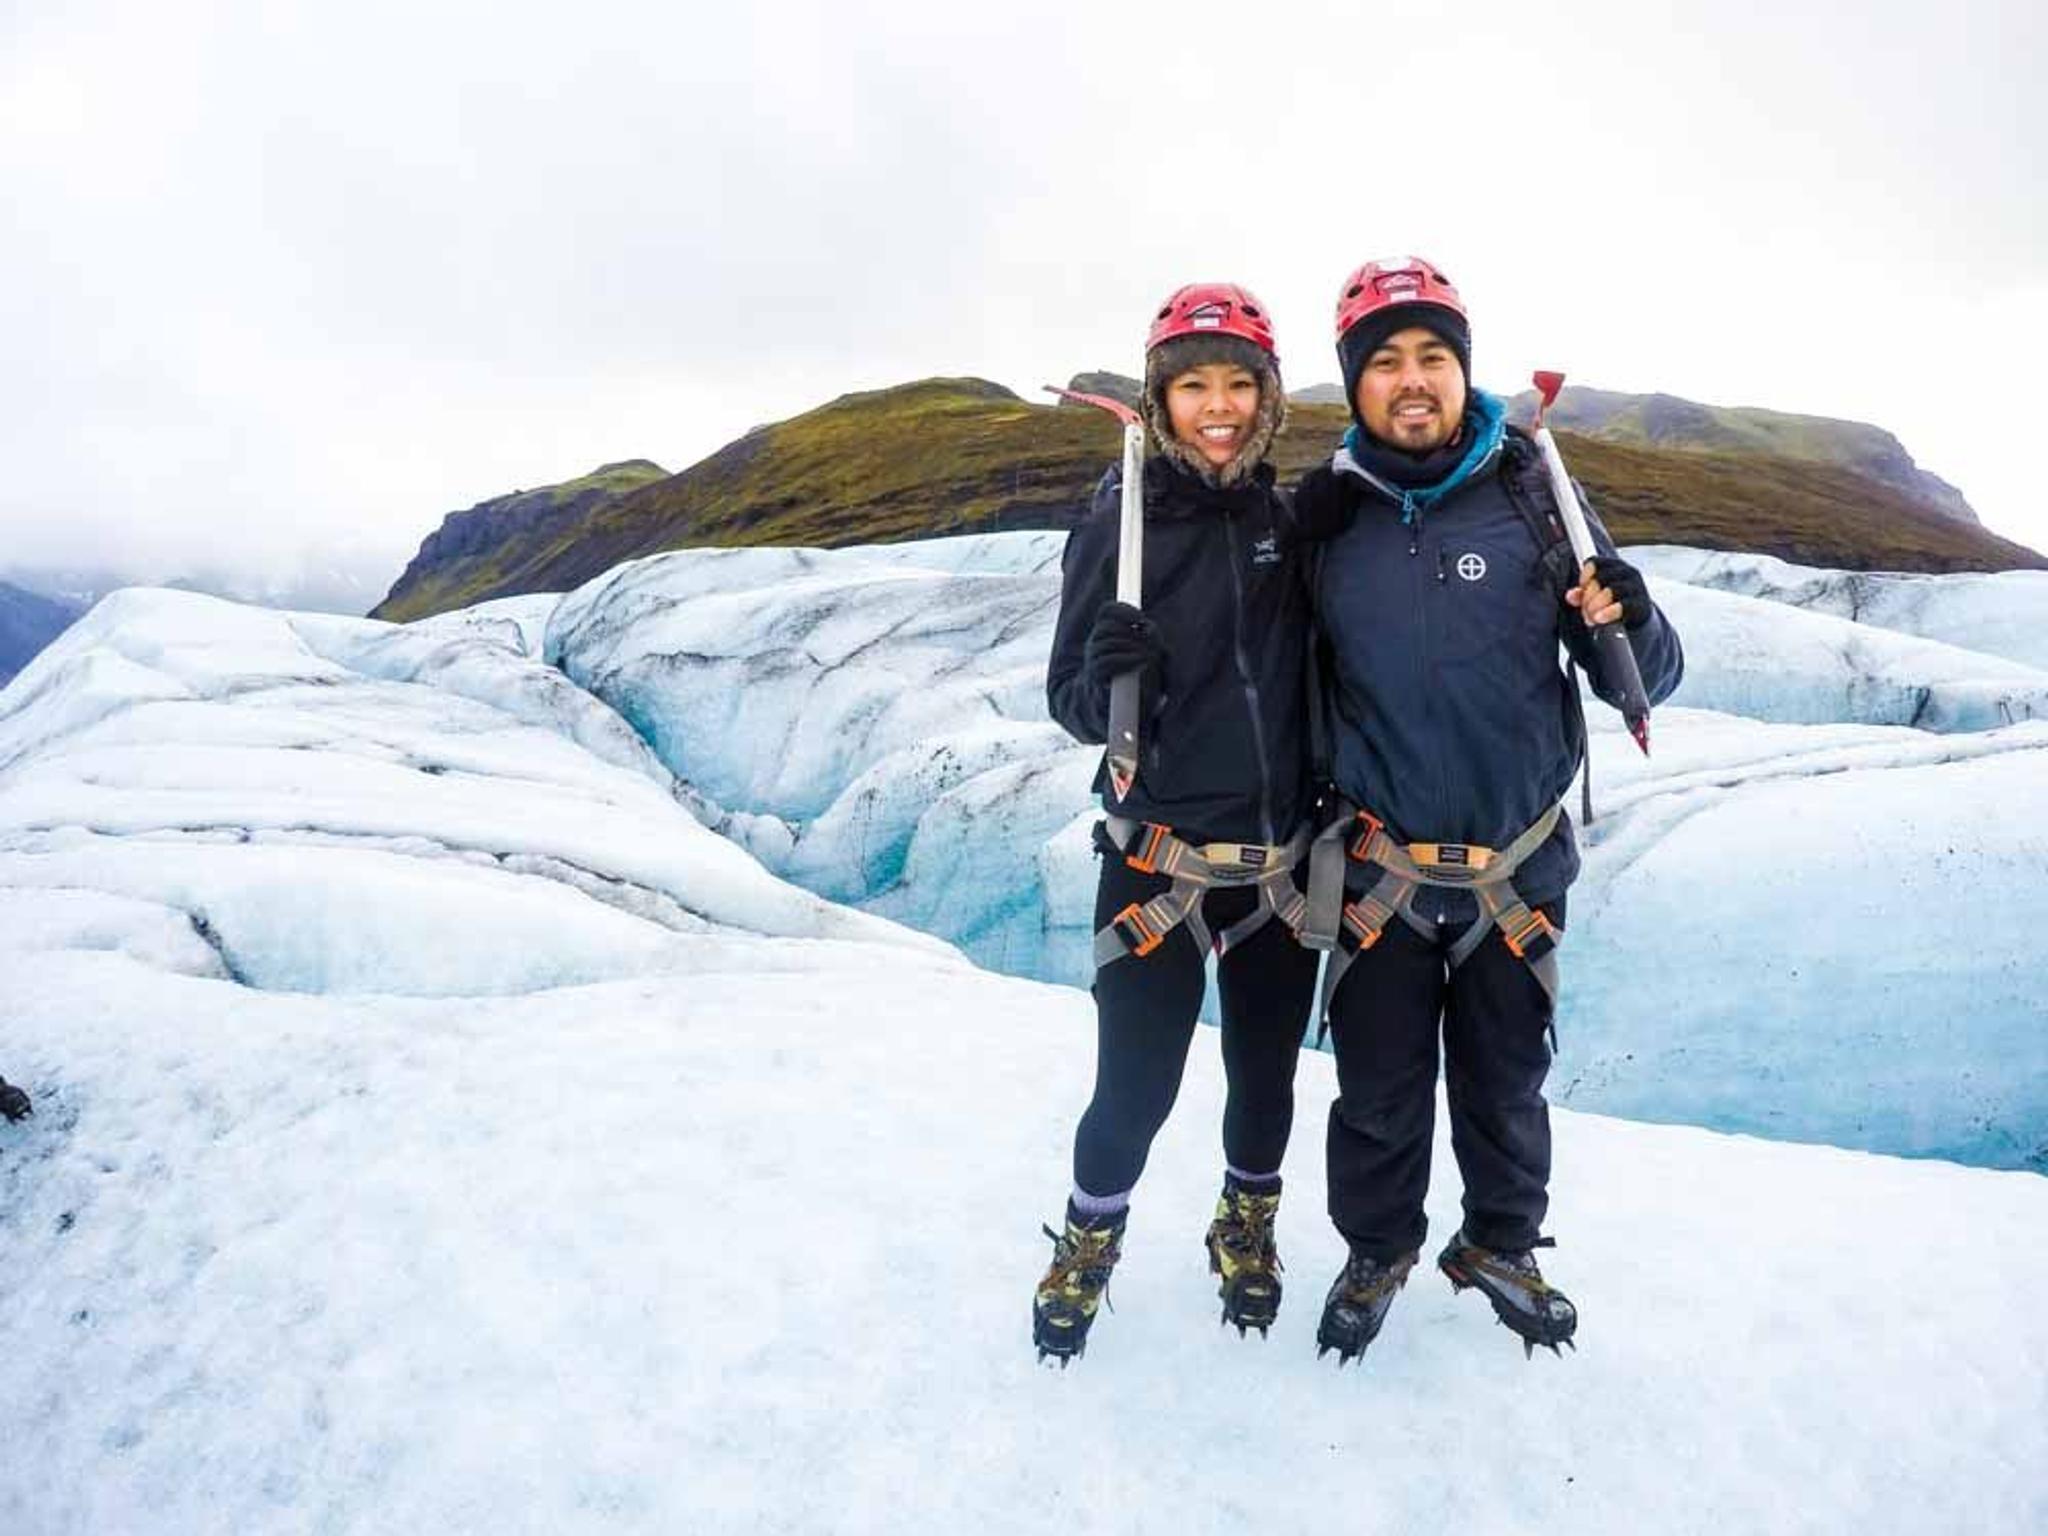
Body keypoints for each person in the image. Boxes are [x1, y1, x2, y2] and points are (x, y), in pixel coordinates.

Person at [1291, 257, 1684, 1364]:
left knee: (1506, 1085)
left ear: (1462, 372)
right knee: (1375, 1092)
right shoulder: (1327, 522)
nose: (1411, 381)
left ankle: (1499, 1245)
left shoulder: (1531, 495)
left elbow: (1640, 673)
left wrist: (1635, 619)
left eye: (1431, 358)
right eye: (1383, 363)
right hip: (1377, 870)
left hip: (1514, 870)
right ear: (1353, 385)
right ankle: (1376, 1250)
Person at [1034, 283, 1320, 1364]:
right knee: (1135, 1088)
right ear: (1158, 399)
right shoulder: (1122, 519)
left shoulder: (1285, 524)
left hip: (1279, 871)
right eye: (1192, 385)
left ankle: (1243, 1225)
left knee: (1264, 1080)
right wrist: (1111, 680)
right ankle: (1087, 1241)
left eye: (1237, 384)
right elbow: (1068, 701)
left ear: (1267, 398)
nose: (1217, 406)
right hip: (1154, 868)